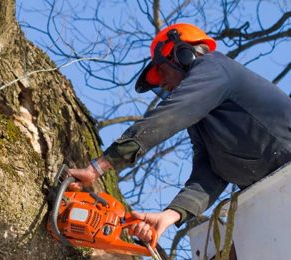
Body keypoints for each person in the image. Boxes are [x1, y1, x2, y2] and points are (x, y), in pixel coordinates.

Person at [69, 23, 291, 243]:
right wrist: (170, 215)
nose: (163, 83)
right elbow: (210, 173)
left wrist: (99, 166)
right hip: (275, 194)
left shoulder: (214, 67)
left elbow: (169, 116)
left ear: (183, 55)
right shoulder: (201, 121)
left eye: (162, 71)